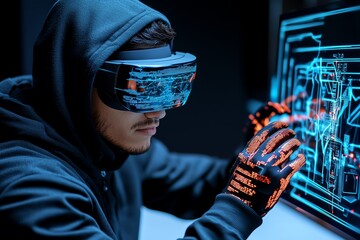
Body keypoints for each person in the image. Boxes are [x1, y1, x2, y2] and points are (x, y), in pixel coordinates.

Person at [0, 0, 306, 239]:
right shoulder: (29, 189)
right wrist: (238, 208)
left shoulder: (104, 141)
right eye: (140, 90)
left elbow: (195, 185)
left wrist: (254, 157)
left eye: (167, 86)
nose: (158, 112)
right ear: (78, 83)